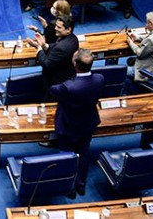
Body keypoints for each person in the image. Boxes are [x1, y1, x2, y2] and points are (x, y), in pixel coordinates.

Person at [49, 48, 105, 197]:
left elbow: (52, 89)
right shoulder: (100, 79)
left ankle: (68, 187)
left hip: (68, 125)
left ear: (74, 64)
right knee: (84, 153)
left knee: (67, 155)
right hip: (88, 123)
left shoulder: (67, 86)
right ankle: (81, 185)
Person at [28, 15, 79, 100]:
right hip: (67, 75)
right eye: (56, 25)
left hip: (57, 82)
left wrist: (39, 48)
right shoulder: (73, 38)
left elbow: (46, 63)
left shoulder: (62, 47)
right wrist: (45, 45)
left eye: (59, 27)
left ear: (68, 29)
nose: (55, 28)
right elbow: (56, 47)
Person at [125, 10, 153, 93]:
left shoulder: (151, 40)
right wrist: (138, 37)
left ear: (151, 23)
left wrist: (130, 43)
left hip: (151, 71)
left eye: (147, 23)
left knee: (123, 72)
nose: (146, 25)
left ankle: (133, 93)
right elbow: (151, 36)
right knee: (130, 60)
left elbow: (139, 53)